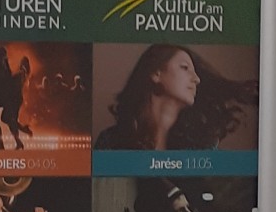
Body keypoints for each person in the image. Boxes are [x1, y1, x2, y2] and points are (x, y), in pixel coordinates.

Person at [94, 46, 256, 152]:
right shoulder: (111, 142)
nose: (197, 79)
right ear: (156, 73)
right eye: (185, 68)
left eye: (195, 72)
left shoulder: (203, 148)